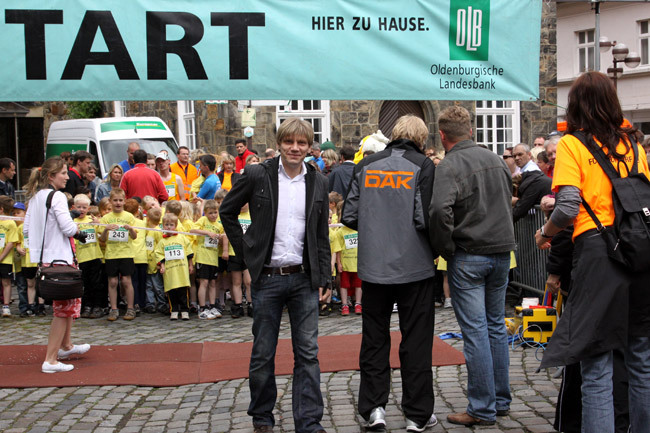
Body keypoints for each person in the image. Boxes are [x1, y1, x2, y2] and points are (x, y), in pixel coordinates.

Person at [536, 71, 650, 433]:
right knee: (641, 359)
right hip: (640, 252)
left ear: (576, 105)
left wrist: (545, 232)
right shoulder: (633, 145)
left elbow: (568, 207)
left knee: (597, 363)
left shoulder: (572, 145)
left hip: (599, 254)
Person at [219, 117, 330, 433]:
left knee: (308, 354)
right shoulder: (258, 174)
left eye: (301, 143)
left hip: (304, 278)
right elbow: (227, 211)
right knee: (263, 352)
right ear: (279, 143)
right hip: (267, 278)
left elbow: (321, 234)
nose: (295, 148)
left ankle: (309, 421)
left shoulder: (318, 181)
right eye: (289, 142)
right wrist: (247, 254)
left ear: (309, 147)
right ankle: (262, 417)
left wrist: (325, 277)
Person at [341, 115, 437, 432]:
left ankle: (374, 408)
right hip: (415, 265)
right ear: (421, 139)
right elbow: (425, 218)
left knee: (374, 339)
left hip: (374, 265)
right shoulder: (423, 165)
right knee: (416, 340)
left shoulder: (366, 165)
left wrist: (375, 225)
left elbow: (349, 214)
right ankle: (416, 414)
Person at [429, 106, 515, 427]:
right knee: (494, 326)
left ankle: (482, 407)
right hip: (500, 251)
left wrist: (445, 247)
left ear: (442, 135)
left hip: (469, 253)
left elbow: (439, 210)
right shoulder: (496, 159)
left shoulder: (450, 165)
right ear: (470, 130)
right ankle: (500, 399)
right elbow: (507, 200)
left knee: (477, 331)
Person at [23, 157, 90, 373]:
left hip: (46, 258)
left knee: (67, 304)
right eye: (63, 173)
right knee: (62, 310)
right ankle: (50, 360)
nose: (67, 176)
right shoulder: (58, 196)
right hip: (60, 258)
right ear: (51, 176)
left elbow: (27, 229)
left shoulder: (36, 197)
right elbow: (68, 228)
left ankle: (66, 346)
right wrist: (79, 232)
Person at [98, 188, 138, 321]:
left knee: (126, 281)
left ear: (124, 201)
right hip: (111, 255)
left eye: (120, 200)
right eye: (115, 200)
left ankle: (130, 308)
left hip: (126, 253)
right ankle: (114, 309)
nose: (118, 203)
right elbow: (102, 239)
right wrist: (106, 230)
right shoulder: (105, 218)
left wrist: (131, 229)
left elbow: (134, 236)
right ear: (110, 201)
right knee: (113, 281)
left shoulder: (129, 217)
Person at [155, 212, 194, 321]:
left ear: (176, 226)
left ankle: (185, 310)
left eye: (171, 225)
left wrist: (190, 265)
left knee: (183, 291)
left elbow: (189, 252)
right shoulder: (162, 242)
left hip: (181, 270)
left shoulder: (182, 238)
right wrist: (162, 265)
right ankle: (174, 310)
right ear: (163, 226)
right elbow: (159, 254)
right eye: (166, 225)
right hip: (170, 271)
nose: (169, 227)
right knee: (171, 291)